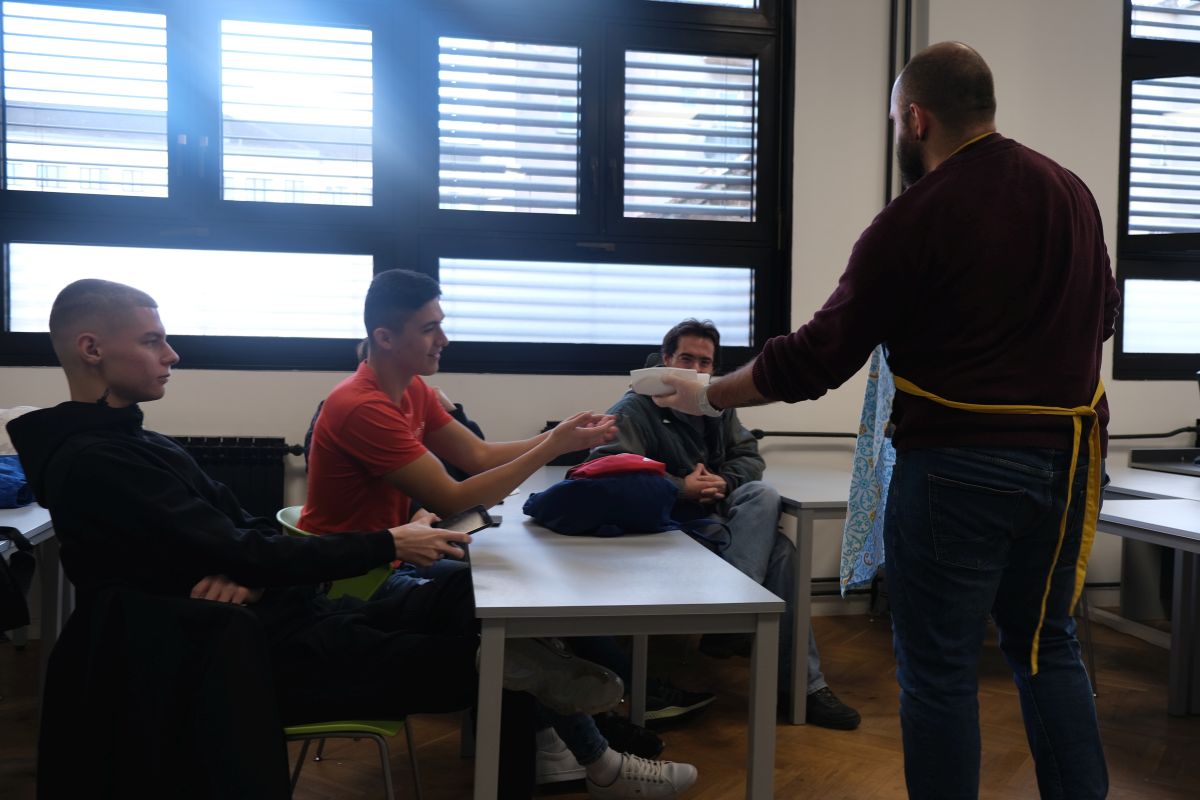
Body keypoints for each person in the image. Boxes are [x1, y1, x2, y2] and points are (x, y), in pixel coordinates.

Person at [652, 42, 1117, 799]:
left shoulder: (918, 213)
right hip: (1068, 464)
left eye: (895, 122)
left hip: (958, 469)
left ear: (916, 119)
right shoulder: (1072, 192)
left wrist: (709, 395)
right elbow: (1105, 316)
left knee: (939, 670)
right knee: (1049, 649)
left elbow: (817, 357)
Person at [9, 278, 633, 799]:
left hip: (282, 599)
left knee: (465, 602)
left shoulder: (142, 443)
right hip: (240, 646)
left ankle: (559, 712)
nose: (171, 355)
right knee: (475, 661)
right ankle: (544, 705)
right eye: (153, 341)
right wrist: (384, 544)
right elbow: (236, 545)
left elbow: (241, 533)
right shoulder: (100, 461)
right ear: (91, 348)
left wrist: (247, 570)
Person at [301, 269, 698, 798]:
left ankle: (568, 743)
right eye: (429, 329)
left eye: (441, 325)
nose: (443, 339)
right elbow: (453, 497)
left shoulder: (412, 390)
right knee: (507, 617)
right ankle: (594, 754)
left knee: (519, 601)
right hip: (352, 581)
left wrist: (559, 437)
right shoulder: (361, 406)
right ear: (385, 338)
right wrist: (551, 447)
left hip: (392, 558)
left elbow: (477, 456)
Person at [591, 319, 861, 730]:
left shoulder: (714, 404)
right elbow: (609, 473)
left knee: (763, 494)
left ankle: (735, 611)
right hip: (665, 529)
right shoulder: (633, 409)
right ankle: (800, 684)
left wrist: (724, 481)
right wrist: (681, 487)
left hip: (715, 522)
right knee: (783, 555)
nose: (696, 370)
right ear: (666, 359)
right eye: (686, 359)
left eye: (705, 363)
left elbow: (749, 455)